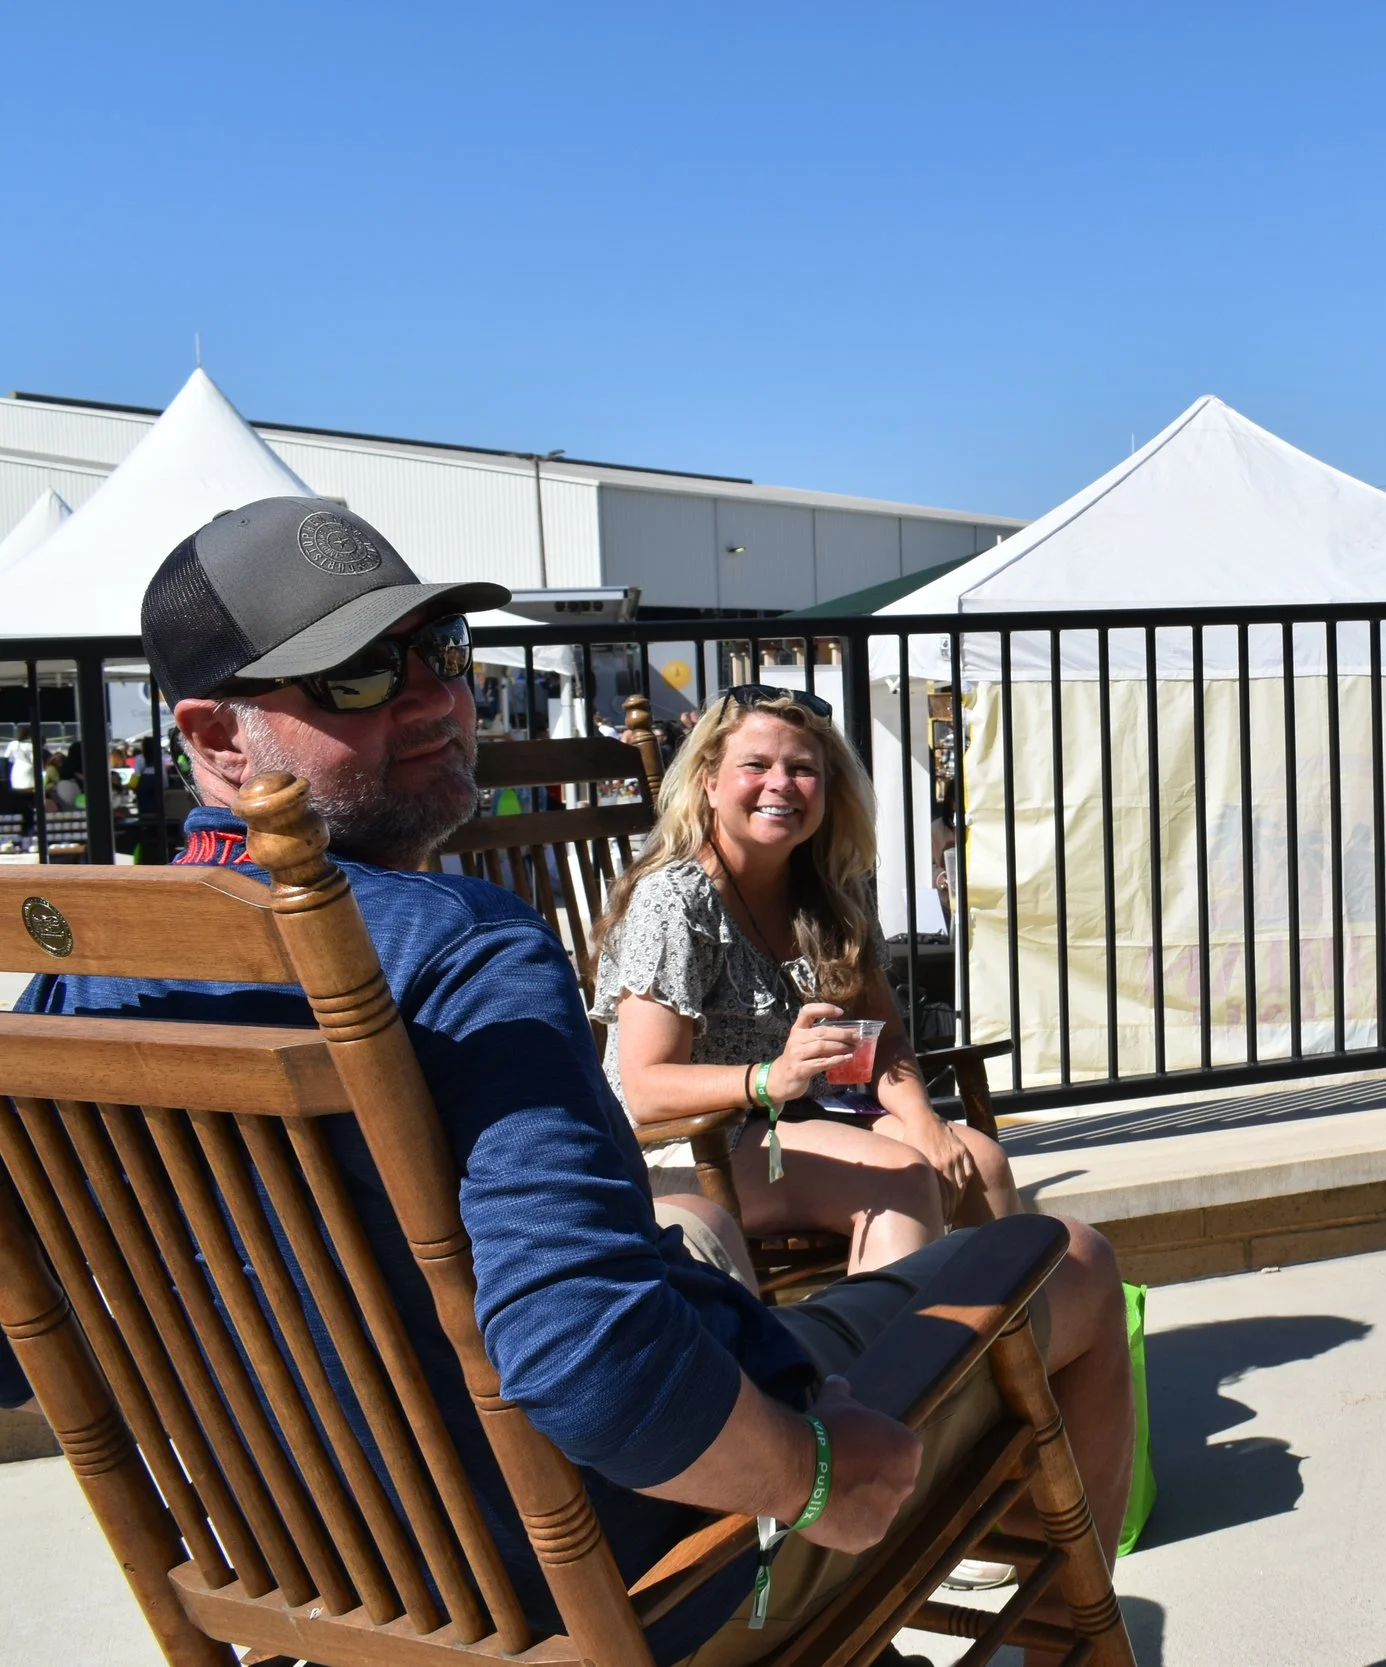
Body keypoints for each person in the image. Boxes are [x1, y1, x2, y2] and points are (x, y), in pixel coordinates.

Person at [3, 498, 1132, 1667]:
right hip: (620, 1588)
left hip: (324, 1583)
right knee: (1071, 1264)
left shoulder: (80, 983)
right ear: (215, 734)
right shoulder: (456, 947)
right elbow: (591, 1362)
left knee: (683, 1229)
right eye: (356, 678)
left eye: (440, 654)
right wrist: (817, 1477)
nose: (438, 699)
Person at [594, 683, 1019, 1274]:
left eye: (802, 769)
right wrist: (773, 1077)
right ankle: (887, 1363)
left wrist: (923, 1122)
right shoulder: (675, 900)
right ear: (709, 782)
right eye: (756, 765)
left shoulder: (830, 892)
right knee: (898, 1178)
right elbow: (646, 1087)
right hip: (689, 1143)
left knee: (979, 1164)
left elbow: (886, 1042)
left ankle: (1001, 1361)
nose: (781, 784)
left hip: (797, 1120)